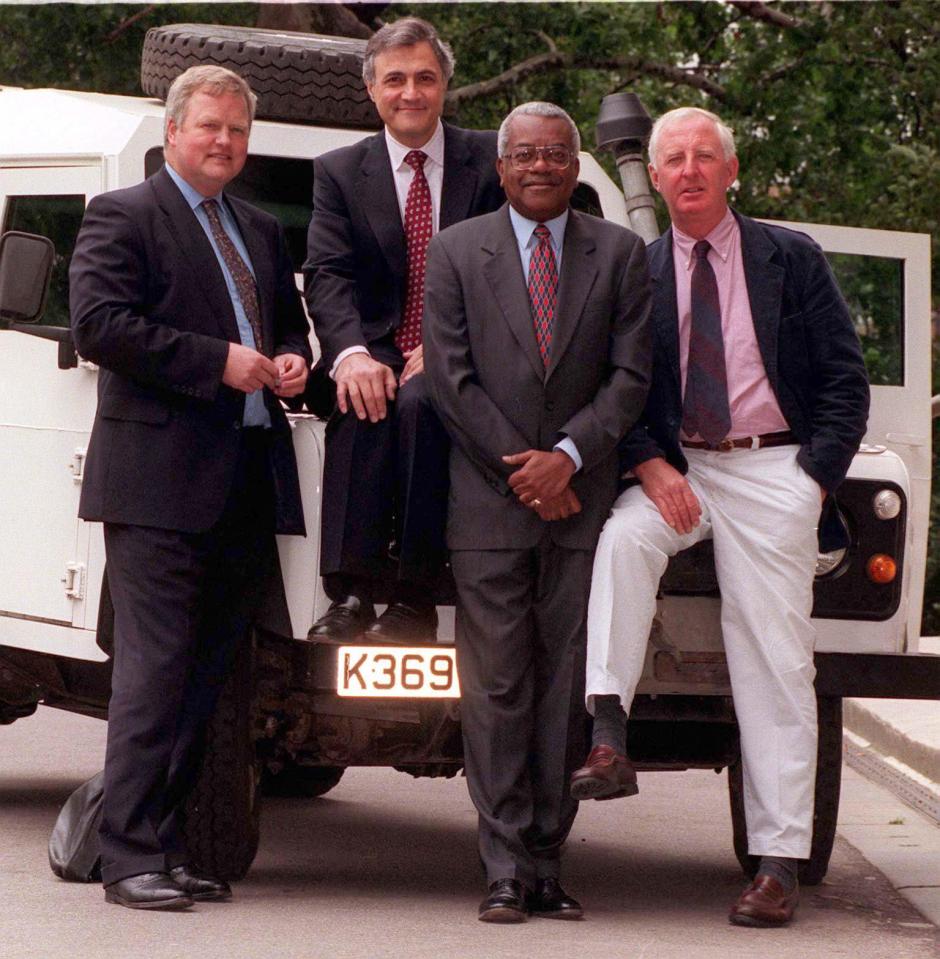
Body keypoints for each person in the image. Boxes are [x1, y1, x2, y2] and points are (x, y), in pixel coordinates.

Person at [572, 106, 870, 927]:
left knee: (773, 656)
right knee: (625, 537)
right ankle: (606, 729)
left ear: (731, 172)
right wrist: (650, 461)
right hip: (682, 463)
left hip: (775, 462)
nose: (691, 169)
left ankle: (778, 863)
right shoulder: (635, 268)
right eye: (675, 158)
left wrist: (811, 482)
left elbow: (846, 385)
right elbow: (617, 388)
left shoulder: (790, 258)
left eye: (707, 156)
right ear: (657, 176)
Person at [69, 65, 311, 910]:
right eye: (209, 126)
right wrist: (220, 361)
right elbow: (100, 325)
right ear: (173, 131)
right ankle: (125, 852)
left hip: (245, 483)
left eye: (238, 131)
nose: (224, 142)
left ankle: (163, 846)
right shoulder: (123, 215)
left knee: (206, 681)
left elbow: (283, 321)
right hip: (155, 485)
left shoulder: (259, 228)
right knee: (154, 674)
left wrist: (289, 360)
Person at [423, 102, 652, 922]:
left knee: (564, 688)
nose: (541, 166)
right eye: (524, 153)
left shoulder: (622, 255)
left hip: (581, 504)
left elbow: (631, 378)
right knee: (497, 688)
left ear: (576, 162)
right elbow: (450, 380)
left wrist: (570, 459)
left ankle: (549, 863)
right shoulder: (454, 252)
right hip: (488, 506)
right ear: (501, 166)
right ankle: (503, 867)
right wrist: (526, 469)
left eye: (556, 152)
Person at [302, 17, 504, 645]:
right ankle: (353, 594)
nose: (410, 93)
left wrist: (445, 345)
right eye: (395, 79)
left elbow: (511, 266)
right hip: (379, 345)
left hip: (468, 347)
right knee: (360, 398)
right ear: (372, 90)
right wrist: (351, 355)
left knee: (420, 403)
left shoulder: (492, 159)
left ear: (446, 83)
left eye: (424, 77)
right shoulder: (339, 171)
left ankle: (414, 600)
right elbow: (327, 274)